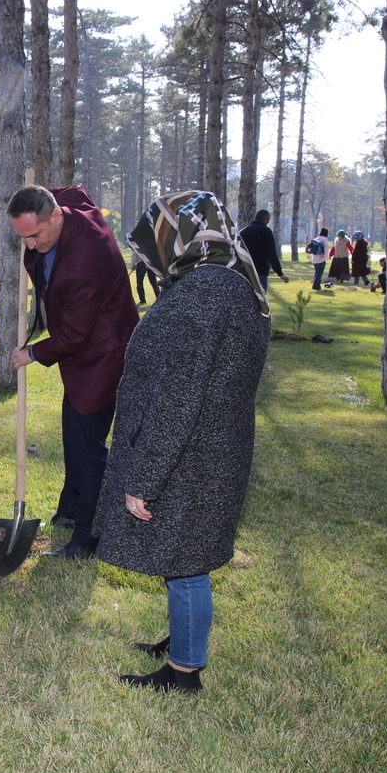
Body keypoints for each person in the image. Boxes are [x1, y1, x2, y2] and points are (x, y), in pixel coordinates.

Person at [93, 190, 271, 694]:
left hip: (190, 454)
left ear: (182, 235)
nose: (151, 255)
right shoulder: (233, 281)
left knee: (187, 562)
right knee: (185, 551)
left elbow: (179, 396)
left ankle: (184, 672)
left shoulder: (204, 293)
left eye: (157, 240)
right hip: (213, 446)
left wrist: (143, 478)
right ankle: (182, 638)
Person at [7, 185, 140, 559]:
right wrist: (32, 190)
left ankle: (88, 536)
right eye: (22, 237)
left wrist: (31, 353)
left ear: (56, 217)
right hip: (94, 347)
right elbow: (74, 190)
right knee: (75, 436)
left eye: (35, 235)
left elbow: (74, 336)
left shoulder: (83, 264)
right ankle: (70, 509)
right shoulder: (74, 207)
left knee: (87, 449)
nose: (30, 245)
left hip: (102, 356)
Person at [238, 208, 289, 291]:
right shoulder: (266, 231)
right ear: (266, 219)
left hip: (245, 270)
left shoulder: (243, 231)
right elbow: (271, 253)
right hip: (260, 270)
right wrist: (280, 273)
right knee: (260, 299)